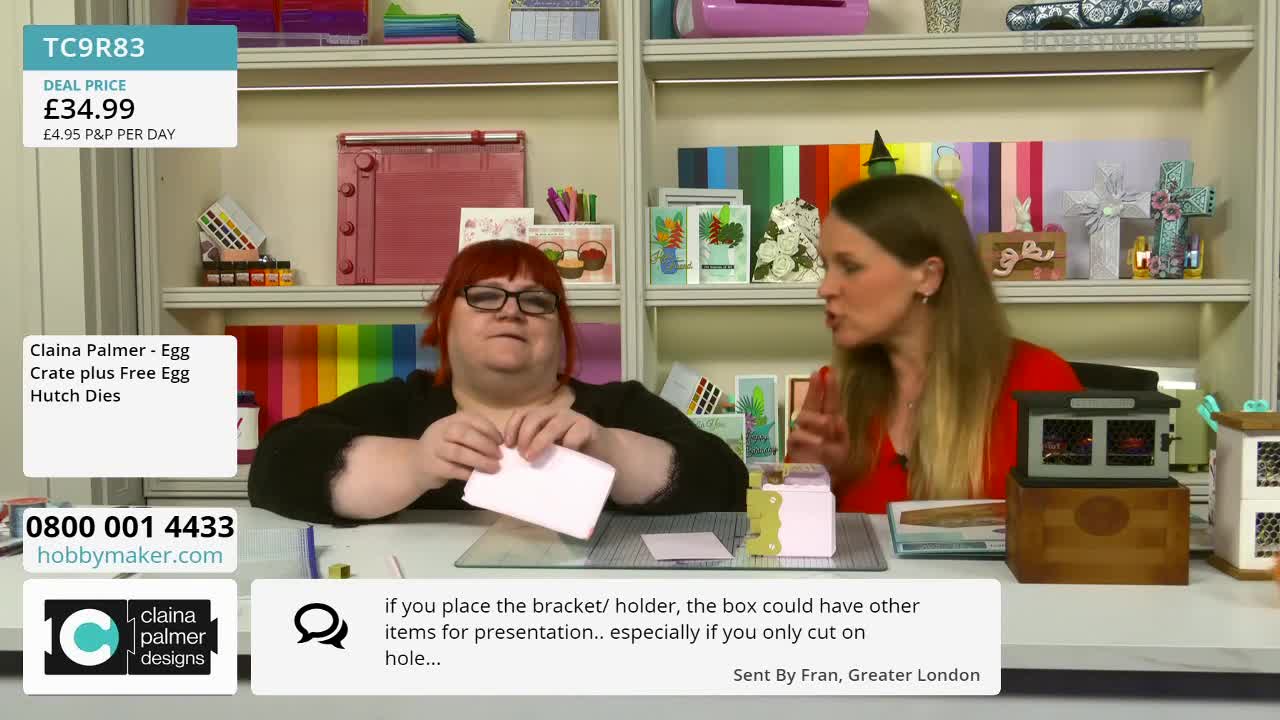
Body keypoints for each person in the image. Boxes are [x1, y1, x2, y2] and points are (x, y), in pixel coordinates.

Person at [249, 239, 747, 524]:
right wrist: (416, 463)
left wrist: (610, 449)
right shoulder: (402, 406)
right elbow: (275, 467)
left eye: (536, 301)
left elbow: (727, 485)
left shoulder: (618, 408)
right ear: (444, 321)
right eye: (486, 296)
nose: (511, 311)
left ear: (560, 331)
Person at [787, 175, 1084, 513]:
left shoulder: (1040, 383)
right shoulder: (832, 396)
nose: (825, 288)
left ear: (928, 276)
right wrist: (809, 480)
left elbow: (1085, 542)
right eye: (827, 267)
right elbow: (784, 552)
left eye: (850, 267)